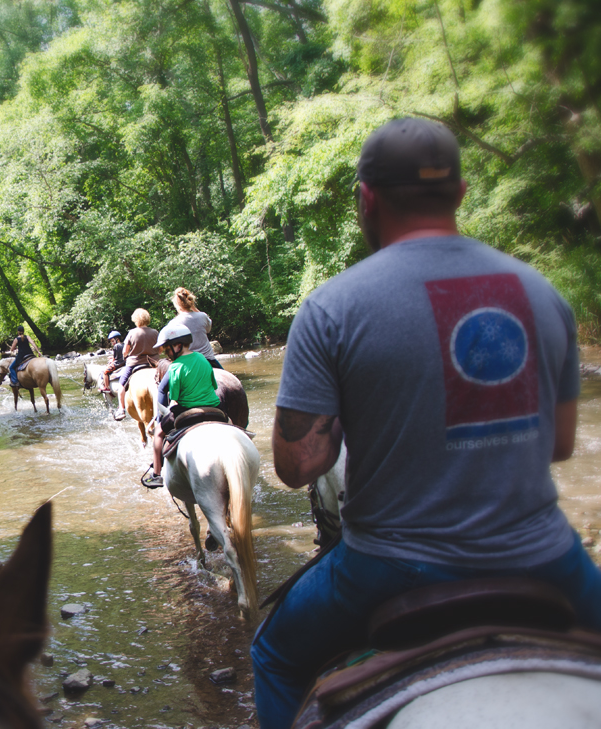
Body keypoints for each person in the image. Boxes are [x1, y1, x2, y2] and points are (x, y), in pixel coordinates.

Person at [251, 117, 601, 729]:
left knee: (273, 655)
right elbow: (563, 444)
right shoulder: (543, 293)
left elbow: (296, 466)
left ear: (367, 197)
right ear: (462, 195)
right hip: (543, 554)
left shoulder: (331, 307)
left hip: (388, 565)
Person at [141, 322, 221, 488]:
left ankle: (156, 474)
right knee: (231, 425)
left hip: (188, 410)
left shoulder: (175, 367)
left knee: (158, 432)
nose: (167, 354)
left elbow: (175, 398)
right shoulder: (204, 359)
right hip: (215, 407)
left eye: (167, 349)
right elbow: (214, 386)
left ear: (178, 346)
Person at [114, 309, 160, 421]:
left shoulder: (132, 333)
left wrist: (126, 356)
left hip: (134, 364)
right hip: (154, 364)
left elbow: (125, 351)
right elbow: (160, 349)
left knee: (121, 386)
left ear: (135, 320)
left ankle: (121, 409)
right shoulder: (155, 332)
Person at [169, 287, 221, 369]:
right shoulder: (203, 316)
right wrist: (193, 308)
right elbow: (208, 330)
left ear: (176, 304)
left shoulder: (174, 323)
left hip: (187, 362)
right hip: (208, 359)